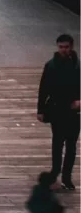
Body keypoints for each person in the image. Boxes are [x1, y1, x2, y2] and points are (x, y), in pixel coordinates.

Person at [37, 33, 81, 191]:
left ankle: (66, 177)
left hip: (74, 110)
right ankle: (55, 172)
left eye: (66, 47)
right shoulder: (51, 65)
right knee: (57, 143)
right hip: (57, 109)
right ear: (57, 47)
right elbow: (43, 88)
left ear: (71, 47)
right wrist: (40, 109)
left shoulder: (78, 65)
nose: (63, 50)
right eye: (61, 47)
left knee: (71, 144)